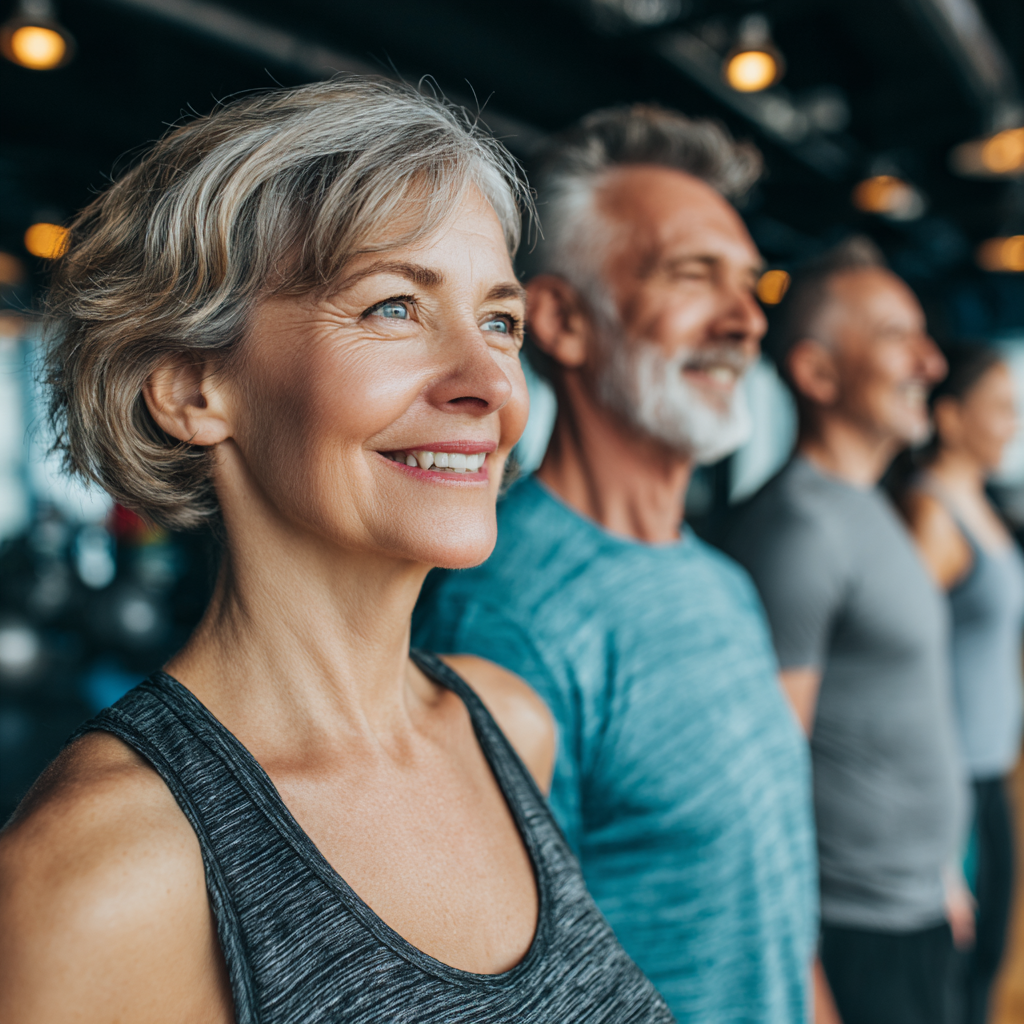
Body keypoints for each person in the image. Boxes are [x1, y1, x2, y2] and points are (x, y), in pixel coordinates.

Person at [0, 79, 675, 1024]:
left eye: (500, 321)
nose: (489, 383)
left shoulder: (508, 725)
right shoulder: (108, 873)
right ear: (194, 387)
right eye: (394, 307)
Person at [413, 104, 817, 1023]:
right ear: (560, 319)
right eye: (693, 275)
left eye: (750, 285)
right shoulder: (502, 620)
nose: (746, 321)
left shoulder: (721, 581)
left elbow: (776, 909)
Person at [726, 238, 968, 1024]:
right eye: (899, 337)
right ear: (818, 373)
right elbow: (766, 781)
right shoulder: (799, 529)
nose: (931, 363)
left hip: (914, 905)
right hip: (852, 937)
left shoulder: (868, 506)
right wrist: (803, 974)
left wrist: (942, 877)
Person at [899, 344, 1024, 1024]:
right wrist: (940, 853)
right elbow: (905, 670)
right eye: (1000, 408)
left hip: (990, 770)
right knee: (960, 980)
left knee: (990, 966)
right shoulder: (933, 514)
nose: (1013, 423)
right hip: (953, 785)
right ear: (949, 416)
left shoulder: (978, 506)